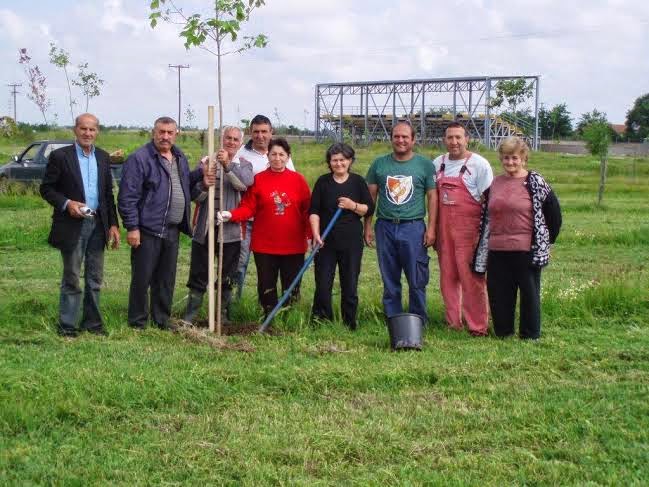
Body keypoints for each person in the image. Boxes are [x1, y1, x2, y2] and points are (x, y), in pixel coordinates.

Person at [118, 116, 210, 330]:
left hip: (172, 229)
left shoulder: (178, 157)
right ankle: (138, 322)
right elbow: (127, 197)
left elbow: (183, 181)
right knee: (143, 277)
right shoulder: (140, 159)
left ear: (176, 134)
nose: (165, 136)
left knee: (166, 278)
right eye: (161, 132)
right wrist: (132, 227)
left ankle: (161, 319)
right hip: (148, 229)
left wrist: (201, 174)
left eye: (170, 133)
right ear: (154, 133)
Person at [472, 136, 562, 339]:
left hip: (526, 249)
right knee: (499, 293)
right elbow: (486, 213)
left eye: (514, 158)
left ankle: (529, 334)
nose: (510, 162)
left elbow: (553, 213)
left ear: (523, 158)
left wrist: (548, 241)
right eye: (505, 158)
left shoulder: (535, 181)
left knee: (529, 294)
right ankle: (504, 331)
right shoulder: (495, 183)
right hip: (497, 249)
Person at [40, 113, 120, 337]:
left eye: (92, 129)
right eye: (83, 129)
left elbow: (107, 195)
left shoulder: (103, 157)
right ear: (75, 130)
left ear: (97, 132)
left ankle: (92, 324)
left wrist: (113, 224)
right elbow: (46, 189)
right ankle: (68, 327)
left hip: (98, 224)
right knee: (72, 277)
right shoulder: (60, 156)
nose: (88, 133)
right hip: (72, 224)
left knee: (95, 278)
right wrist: (67, 204)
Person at [218, 138, 310, 319]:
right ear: (268, 156)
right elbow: (248, 207)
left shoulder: (298, 180)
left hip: (293, 244)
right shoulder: (259, 180)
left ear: (288, 157)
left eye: (281, 155)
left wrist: (310, 235)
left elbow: (308, 210)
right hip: (264, 245)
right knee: (266, 284)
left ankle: (289, 318)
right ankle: (268, 317)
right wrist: (232, 214)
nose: (277, 158)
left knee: (291, 284)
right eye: (273, 154)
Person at [364, 121, 437, 322]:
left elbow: (432, 197)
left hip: (413, 227)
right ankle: (394, 318)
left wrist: (431, 228)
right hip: (385, 226)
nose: (400, 140)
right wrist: (368, 226)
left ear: (413, 139)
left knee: (416, 277)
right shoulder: (379, 164)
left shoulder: (424, 165)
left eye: (405, 136)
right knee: (389, 276)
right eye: (396, 136)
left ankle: (418, 318)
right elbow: (371, 197)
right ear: (391, 138)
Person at [183, 126, 253, 324]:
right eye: (228, 138)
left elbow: (244, 184)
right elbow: (195, 196)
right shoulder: (206, 162)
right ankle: (191, 315)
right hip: (204, 229)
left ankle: (221, 315)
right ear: (222, 139)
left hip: (230, 231)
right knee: (198, 272)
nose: (231, 142)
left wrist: (228, 165)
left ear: (240, 143)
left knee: (226, 274)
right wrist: (204, 184)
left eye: (235, 139)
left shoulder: (244, 164)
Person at [432, 122, 493, 336]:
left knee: (472, 279)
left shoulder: (479, 164)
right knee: (447, 278)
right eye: (450, 138)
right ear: (444, 140)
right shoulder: (437, 163)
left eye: (459, 137)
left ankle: (477, 326)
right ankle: (453, 323)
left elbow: (489, 202)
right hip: (444, 232)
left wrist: (483, 236)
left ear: (467, 139)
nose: (454, 142)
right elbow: (432, 200)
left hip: (470, 233)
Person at [309, 143, 374, 330]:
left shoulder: (357, 182)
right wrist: (316, 234)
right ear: (329, 162)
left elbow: (369, 209)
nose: (338, 163)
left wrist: (352, 205)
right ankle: (321, 320)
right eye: (334, 160)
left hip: (351, 242)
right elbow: (314, 211)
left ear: (350, 161)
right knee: (322, 283)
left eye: (342, 160)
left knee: (350, 283)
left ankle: (349, 322)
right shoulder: (323, 182)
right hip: (325, 242)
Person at [233, 115, 295, 298]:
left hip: (272, 221)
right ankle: (234, 304)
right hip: (247, 220)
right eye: (256, 132)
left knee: (270, 265)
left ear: (271, 132)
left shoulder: (280, 153)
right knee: (240, 263)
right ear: (250, 132)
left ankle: (273, 302)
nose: (260, 136)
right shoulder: (240, 155)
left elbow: (290, 182)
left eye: (264, 131)